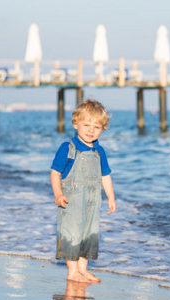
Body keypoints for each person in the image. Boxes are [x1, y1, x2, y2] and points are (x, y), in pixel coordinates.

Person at [50, 99, 116, 283]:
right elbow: (55, 173)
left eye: (96, 127)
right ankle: (72, 272)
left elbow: (105, 175)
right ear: (75, 123)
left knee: (89, 234)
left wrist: (111, 196)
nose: (90, 130)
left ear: (103, 129)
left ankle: (82, 269)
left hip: (93, 202)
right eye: (86, 125)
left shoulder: (99, 151)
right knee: (72, 233)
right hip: (71, 200)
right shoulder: (68, 149)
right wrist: (58, 194)